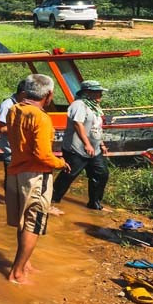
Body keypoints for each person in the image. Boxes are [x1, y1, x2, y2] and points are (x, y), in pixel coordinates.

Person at [5, 73, 70, 284]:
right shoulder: (41, 118)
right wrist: (61, 163)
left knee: (23, 222)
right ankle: (17, 273)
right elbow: (42, 155)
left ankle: (25, 264)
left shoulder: (14, 110)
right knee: (33, 223)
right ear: (48, 95)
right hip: (35, 176)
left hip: (15, 171)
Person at [51, 81, 110, 210]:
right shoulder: (78, 105)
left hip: (94, 150)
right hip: (76, 148)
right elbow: (78, 124)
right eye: (97, 92)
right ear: (87, 93)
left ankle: (95, 204)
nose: (101, 94)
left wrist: (101, 143)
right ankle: (52, 200)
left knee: (101, 174)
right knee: (68, 175)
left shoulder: (95, 107)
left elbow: (96, 127)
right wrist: (87, 144)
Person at [0, 80, 28, 179]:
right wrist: (21, 126)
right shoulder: (7, 105)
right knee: (10, 184)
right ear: (23, 93)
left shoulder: (25, 105)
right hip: (11, 153)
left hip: (23, 153)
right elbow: (2, 129)